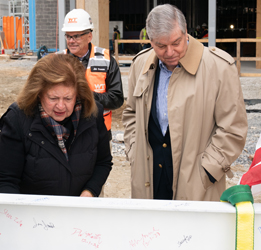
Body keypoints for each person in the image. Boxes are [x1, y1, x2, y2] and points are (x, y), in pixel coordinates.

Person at [122, 4, 247, 201]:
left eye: (176, 42)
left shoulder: (220, 68)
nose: (170, 52)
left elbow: (233, 129)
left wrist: (206, 171)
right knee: (152, 231)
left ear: (186, 31)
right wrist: (134, 152)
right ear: (150, 41)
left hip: (198, 183)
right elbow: (131, 114)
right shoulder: (140, 65)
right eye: (161, 46)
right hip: (149, 177)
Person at [0, 54, 112, 196]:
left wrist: (90, 191)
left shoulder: (92, 114)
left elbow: (103, 162)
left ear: (78, 94)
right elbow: (6, 180)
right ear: (38, 94)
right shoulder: (17, 120)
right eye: (53, 98)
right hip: (34, 214)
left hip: (79, 211)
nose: (60, 106)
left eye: (68, 98)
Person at [59, 9, 124, 142]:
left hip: (99, 131)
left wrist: (87, 96)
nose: (71, 41)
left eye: (76, 36)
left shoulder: (106, 60)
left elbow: (116, 99)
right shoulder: (57, 61)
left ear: (89, 36)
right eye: (68, 36)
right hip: (66, 132)